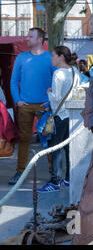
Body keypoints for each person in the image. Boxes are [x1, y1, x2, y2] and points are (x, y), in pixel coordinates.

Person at [8, 28, 56, 185]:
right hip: (25, 106)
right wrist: (17, 100)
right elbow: (14, 81)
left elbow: (57, 82)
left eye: (30, 36)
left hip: (44, 106)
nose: (27, 38)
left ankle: (53, 172)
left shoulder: (50, 58)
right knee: (23, 139)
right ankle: (20, 172)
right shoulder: (21, 58)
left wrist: (49, 102)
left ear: (40, 39)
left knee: (48, 139)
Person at [37, 46, 83, 192]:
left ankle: (55, 181)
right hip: (71, 115)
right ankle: (69, 178)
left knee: (54, 149)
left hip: (60, 115)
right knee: (69, 148)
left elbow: (56, 98)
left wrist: (48, 92)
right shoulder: (75, 71)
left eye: (53, 56)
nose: (51, 58)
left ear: (61, 57)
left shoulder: (58, 74)